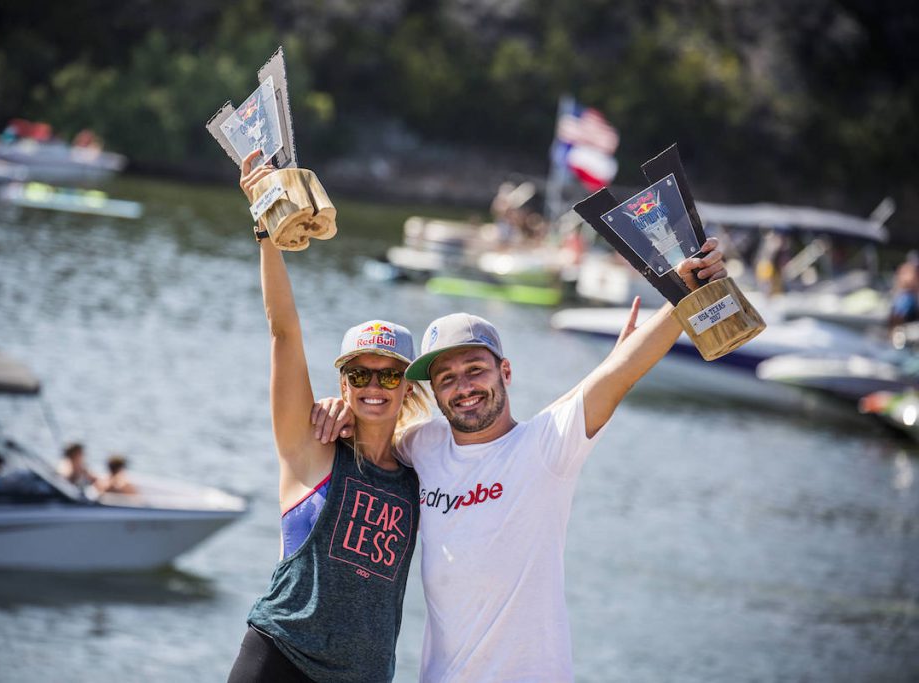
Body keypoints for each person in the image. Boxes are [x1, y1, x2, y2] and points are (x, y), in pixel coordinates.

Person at [313, 239, 729, 681]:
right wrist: (337, 408)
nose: (463, 387)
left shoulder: (547, 446)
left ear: (505, 372)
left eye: (476, 369)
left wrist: (687, 293)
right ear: (434, 393)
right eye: (447, 378)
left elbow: (622, 374)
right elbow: (371, 428)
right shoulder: (422, 445)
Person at [227, 149, 430, 683]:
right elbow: (284, 332)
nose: (373, 387)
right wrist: (266, 229)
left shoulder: (423, 475)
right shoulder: (311, 445)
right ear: (343, 382)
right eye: (359, 375)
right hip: (280, 658)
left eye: (389, 375)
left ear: (407, 385)